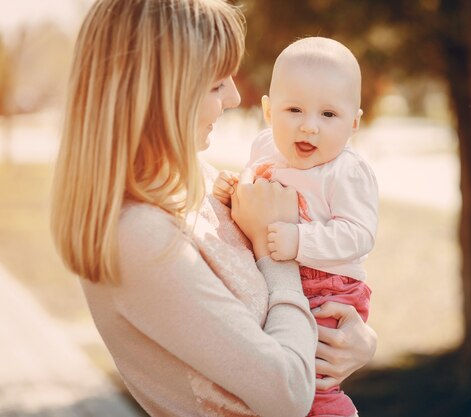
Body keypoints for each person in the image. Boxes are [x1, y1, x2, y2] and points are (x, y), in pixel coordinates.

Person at [50, 2, 376, 417]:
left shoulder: (194, 181)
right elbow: (288, 394)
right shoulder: (140, 237)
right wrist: (273, 245)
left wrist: (358, 339)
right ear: (161, 89)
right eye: (216, 83)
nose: (236, 96)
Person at [213, 37, 378, 417]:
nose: (309, 127)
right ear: (269, 112)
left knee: (312, 379)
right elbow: (257, 191)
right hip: (286, 276)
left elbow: (359, 235)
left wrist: (299, 239)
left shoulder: (347, 171)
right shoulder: (265, 146)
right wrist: (233, 189)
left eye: (328, 115)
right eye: (295, 110)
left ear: (353, 123)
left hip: (329, 284)